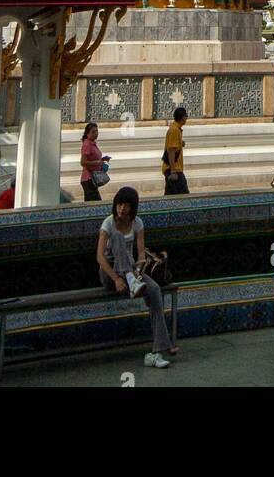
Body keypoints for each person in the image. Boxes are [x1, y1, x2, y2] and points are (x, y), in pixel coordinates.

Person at [96, 186, 176, 369]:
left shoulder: (137, 223)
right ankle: (130, 280)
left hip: (133, 271)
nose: (122, 208)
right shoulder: (108, 223)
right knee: (117, 237)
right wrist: (117, 279)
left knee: (155, 289)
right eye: (119, 204)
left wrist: (138, 271)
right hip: (110, 273)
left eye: (126, 205)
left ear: (133, 208)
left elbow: (141, 254)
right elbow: (99, 257)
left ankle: (158, 351)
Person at [163, 106, 189, 195]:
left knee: (171, 197)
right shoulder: (174, 130)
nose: (186, 119)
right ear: (183, 118)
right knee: (183, 197)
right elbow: (171, 151)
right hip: (174, 170)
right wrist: (173, 171)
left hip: (174, 169)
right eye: (186, 116)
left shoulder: (176, 129)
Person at [80, 122, 109, 202]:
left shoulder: (92, 144)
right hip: (88, 178)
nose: (96, 134)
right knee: (96, 203)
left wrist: (103, 159)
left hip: (93, 179)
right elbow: (83, 162)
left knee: (90, 204)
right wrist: (97, 162)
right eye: (93, 132)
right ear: (87, 133)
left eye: (97, 131)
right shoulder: (87, 145)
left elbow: (93, 159)